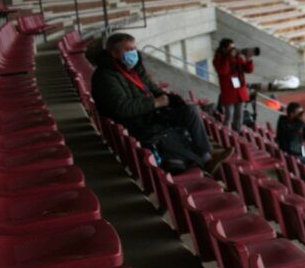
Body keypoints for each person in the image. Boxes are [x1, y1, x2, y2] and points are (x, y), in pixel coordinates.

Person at [91, 32, 231, 174]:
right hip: (136, 124)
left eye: (134, 48)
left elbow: (153, 88)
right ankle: (205, 163)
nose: (133, 53)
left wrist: (169, 98)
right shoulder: (105, 76)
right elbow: (122, 108)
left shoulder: (134, 68)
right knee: (173, 134)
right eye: (128, 49)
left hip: (149, 115)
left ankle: (205, 154)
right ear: (114, 53)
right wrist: (155, 103)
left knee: (190, 110)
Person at [213, 38, 254, 131]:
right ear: (224, 49)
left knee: (239, 115)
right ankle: (226, 135)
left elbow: (249, 70)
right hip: (229, 91)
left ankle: (237, 133)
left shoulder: (237, 57)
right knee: (229, 116)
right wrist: (228, 57)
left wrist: (248, 60)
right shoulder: (218, 59)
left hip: (240, 90)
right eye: (230, 48)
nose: (233, 50)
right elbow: (223, 71)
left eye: (234, 48)